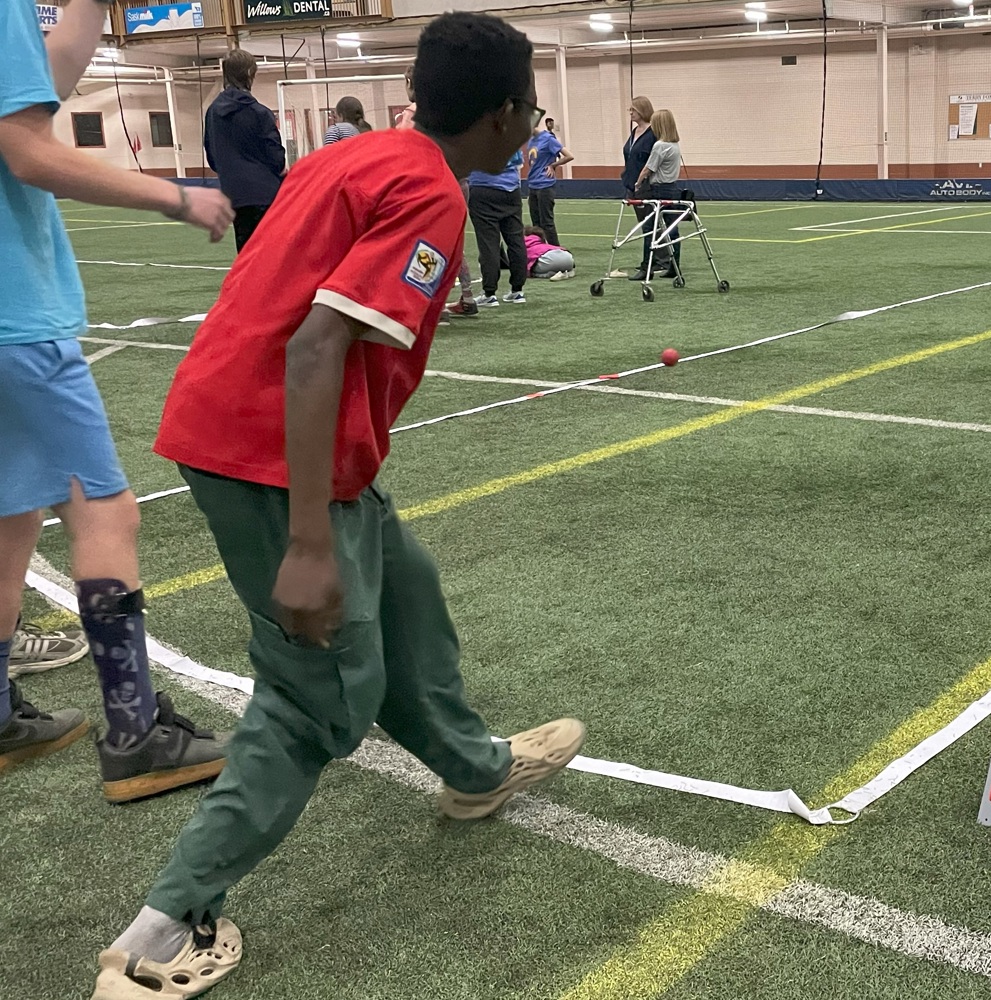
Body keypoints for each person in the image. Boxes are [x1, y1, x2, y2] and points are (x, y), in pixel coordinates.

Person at [92, 13, 585, 999]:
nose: (528, 125)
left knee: (403, 588)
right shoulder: (430, 197)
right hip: (270, 450)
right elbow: (317, 345)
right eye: (529, 110)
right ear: (503, 117)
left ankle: (475, 770)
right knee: (317, 698)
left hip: (257, 427)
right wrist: (310, 538)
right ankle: (163, 928)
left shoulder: (352, 157)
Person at [0, 0, 233, 797]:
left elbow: (43, 80)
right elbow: (27, 150)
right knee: (104, 512)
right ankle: (135, 733)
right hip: (14, 319)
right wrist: (174, 197)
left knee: (13, 515)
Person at [396, 64, 477, 318]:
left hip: (429, 186)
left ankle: (433, 305)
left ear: (411, 83)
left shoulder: (412, 115)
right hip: (459, 185)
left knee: (425, 243)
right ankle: (467, 296)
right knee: (452, 242)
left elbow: (402, 152)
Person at [203, 49, 286, 252]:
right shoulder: (260, 113)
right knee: (273, 253)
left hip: (234, 194)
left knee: (247, 254)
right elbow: (276, 159)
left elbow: (212, 157)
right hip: (266, 194)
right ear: (250, 73)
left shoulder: (213, 112)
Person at [467, 142, 530, 306]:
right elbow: (519, 162)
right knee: (516, 240)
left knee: (488, 243)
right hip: (511, 190)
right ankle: (517, 290)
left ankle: (489, 292)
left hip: (482, 189)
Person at [634, 108, 683, 280]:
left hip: (658, 190)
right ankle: (674, 265)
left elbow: (648, 169)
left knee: (649, 229)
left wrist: (638, 184)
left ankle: (646, 268)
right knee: (671, 229)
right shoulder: (675, 145)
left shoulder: (660, 146)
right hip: (671, 188)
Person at [612, 95, 655, 279]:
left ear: (642, 110)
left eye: (633, 110)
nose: (630, 113)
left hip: (646, 185)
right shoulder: (635, 131)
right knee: (644, 223)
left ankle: (651, 263)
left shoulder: (653, 133)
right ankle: (656, 259)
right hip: (631, 183)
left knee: (650, 225)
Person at [525, 117, 572, 247]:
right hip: (533, 185)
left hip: (544, 185)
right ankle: (540, 250)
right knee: (536, 223)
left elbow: (569, 155)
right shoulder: (531, 141)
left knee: (547, 223)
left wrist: (553, 165)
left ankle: (556, 251)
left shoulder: (548, 138)